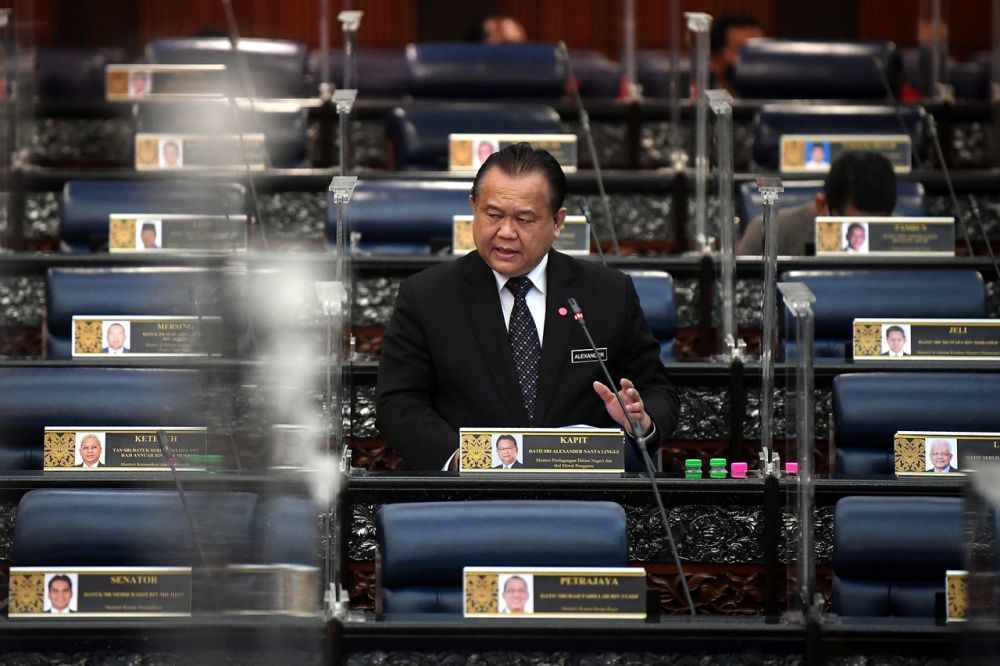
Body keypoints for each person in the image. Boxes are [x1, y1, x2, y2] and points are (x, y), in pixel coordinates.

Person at [377, 143, 679, 471]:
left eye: (524, 219)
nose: (506, 232)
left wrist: (641, 419)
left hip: (582, 487)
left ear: (557, 222)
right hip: (471, 490)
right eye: (493, 215)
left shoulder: (608, 292)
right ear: (473, 208)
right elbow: (399, 402)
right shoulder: (427, 296)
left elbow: (656, 390)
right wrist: (458, 461)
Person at [737, 151, 897, 256]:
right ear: (821, 205)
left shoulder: (904, 237)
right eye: (852, 224)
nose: (865, 237)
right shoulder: (767, 235)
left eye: (876, 226)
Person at [709, 13, 765, 95]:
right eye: (741, 50)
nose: (754, 60)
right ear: (714, 60)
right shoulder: (700, 98)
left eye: (759, 50)